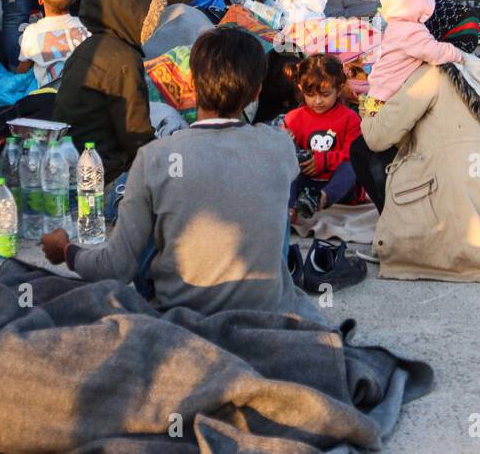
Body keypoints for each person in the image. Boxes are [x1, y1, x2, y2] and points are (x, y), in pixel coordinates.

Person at [42, 27, 321, 317]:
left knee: (161, 208)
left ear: (191, 83)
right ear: (257, 91)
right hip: (267, 310)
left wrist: (67, 252)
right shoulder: (279, 146)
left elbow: (116, 268)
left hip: (182, 314)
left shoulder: (154, 157)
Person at [351, 54, 480, 283]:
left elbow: (377, 138)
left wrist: (373, 101)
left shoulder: (430, 75)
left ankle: (397, 238)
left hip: (450, 202)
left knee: (361, 149)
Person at [52, 0, 165, 183]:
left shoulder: (88, 48)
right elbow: (135, 135)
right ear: (129, 14)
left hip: (73, 159)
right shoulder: (123, 60)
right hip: (105, 170)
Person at [283, 55, 368, 290]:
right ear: (301, 88)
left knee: (352, 167)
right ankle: (290, 211)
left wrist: (323, 160)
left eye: (325, 94)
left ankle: (319, 200)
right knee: (287, 167)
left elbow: (353, 154)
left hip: (337, 188)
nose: (318, 101)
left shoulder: (350, 118)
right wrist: (287, 145)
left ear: (339, 88)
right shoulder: (294, 119)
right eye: (311, 95)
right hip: (305, 184)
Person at [367, 0, 463, 102]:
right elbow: (433, 52)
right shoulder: (409, 31)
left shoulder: (396, 25)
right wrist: (457, 53)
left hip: (380, 91)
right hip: (387, 98)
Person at [17, 0, 90, 87]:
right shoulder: (84, 26)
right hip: (80, 92)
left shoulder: (31, 32)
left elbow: (23, 68)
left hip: (48, 97)